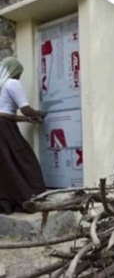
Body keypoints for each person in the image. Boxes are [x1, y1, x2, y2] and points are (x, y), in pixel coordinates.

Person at [0, 56, 46, 215]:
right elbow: (25, 108)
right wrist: (38, 113)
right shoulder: (13, 83)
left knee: (6, 166)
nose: (20, 76)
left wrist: (27, 119)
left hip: (4, 125)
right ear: (14, 71)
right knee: (26, 161)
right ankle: (32, 196)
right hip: (5, 129)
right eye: (19, 72)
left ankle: (8, 202)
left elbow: (6, 114)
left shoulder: (1, 85)